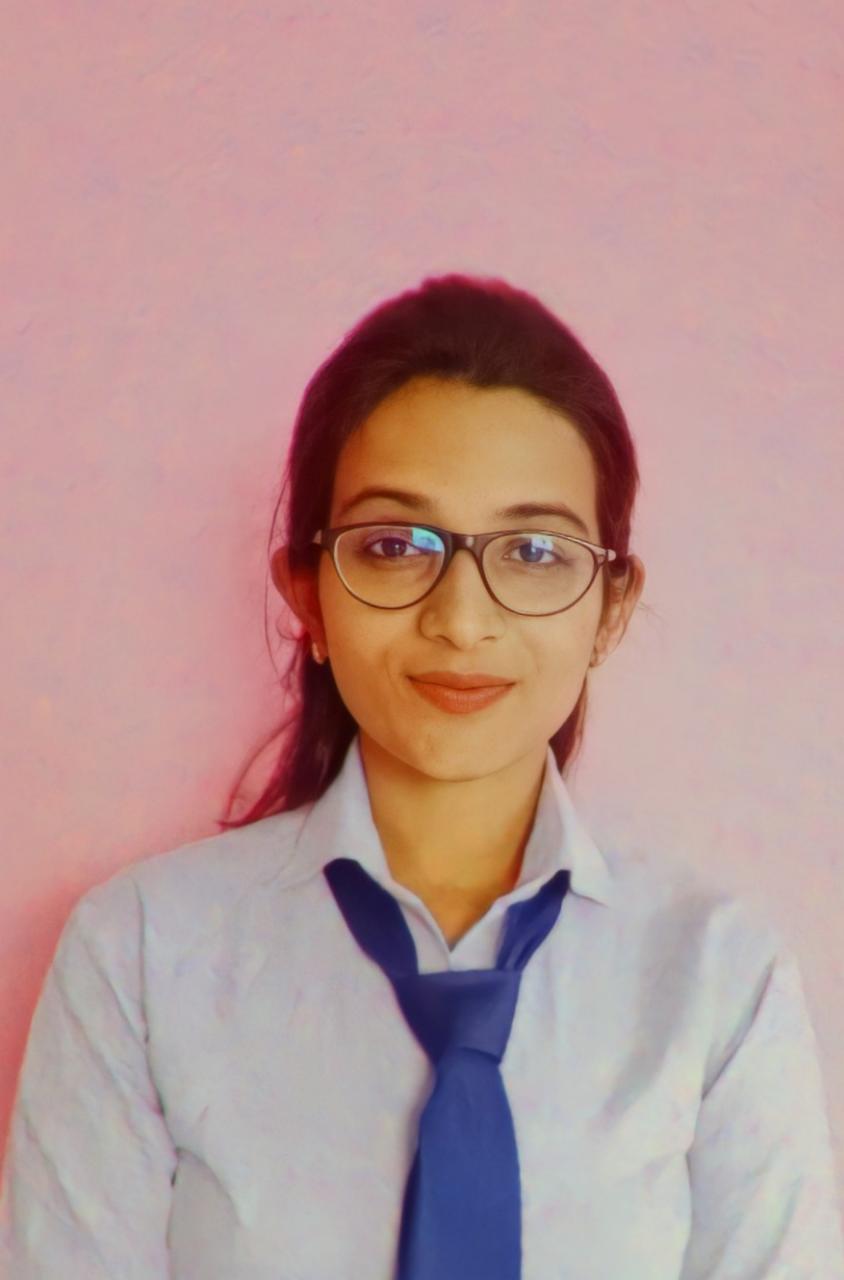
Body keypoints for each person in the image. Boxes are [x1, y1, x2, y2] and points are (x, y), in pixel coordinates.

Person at [1, 274, 842, 1279]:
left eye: (535, 551)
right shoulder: (139, 953)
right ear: (307, 593)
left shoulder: (718, 974)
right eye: (396, 544)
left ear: (610, 608)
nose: (461, 619)